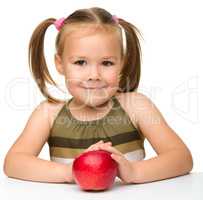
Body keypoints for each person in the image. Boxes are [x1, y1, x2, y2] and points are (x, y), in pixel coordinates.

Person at [3, 7, 193, 184]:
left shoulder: (136, 106)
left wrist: (134, 172)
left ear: (122, 63)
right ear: (60, 64)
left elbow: (182, 158)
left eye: (107, 63)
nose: (94, 75)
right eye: (80, 62)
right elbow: (13, 163)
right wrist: (68, 172)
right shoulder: (49, 114)